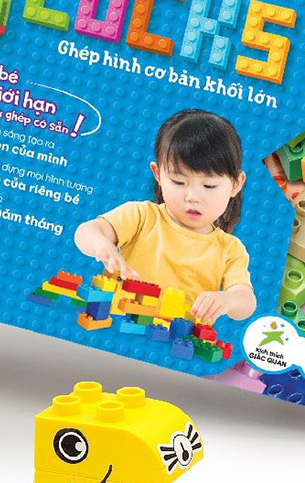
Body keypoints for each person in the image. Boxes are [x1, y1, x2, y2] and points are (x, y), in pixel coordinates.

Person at [74, 109, 257, 323]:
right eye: (179, 182)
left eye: (209, 185)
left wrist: (228, 300)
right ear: (158, 174)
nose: (192, 197)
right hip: (116, 327)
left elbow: (245, 301)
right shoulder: (141, 216)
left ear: (236, 184)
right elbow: (86, 231)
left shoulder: (230, 249)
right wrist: (101, 244)